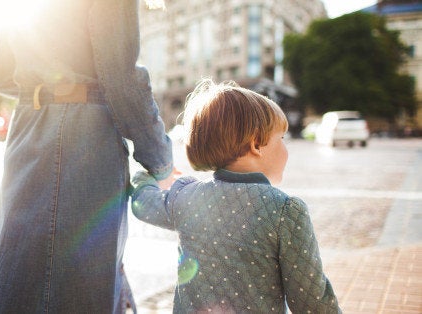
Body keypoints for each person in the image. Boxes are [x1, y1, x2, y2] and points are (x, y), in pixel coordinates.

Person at [0, 1, 173, 313]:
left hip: (27, 128)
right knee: (79, 279)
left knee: (15, 264)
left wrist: (40, 90)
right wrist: (160, 159)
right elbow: (120, 76)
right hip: (83, 135)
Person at [130, 79, 341, 313]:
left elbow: (143, 204)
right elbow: (311, 301)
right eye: (281, 139)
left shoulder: (186, 197)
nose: (285, 148)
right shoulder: (285, 212)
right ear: (256, 144)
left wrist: (145, 177)